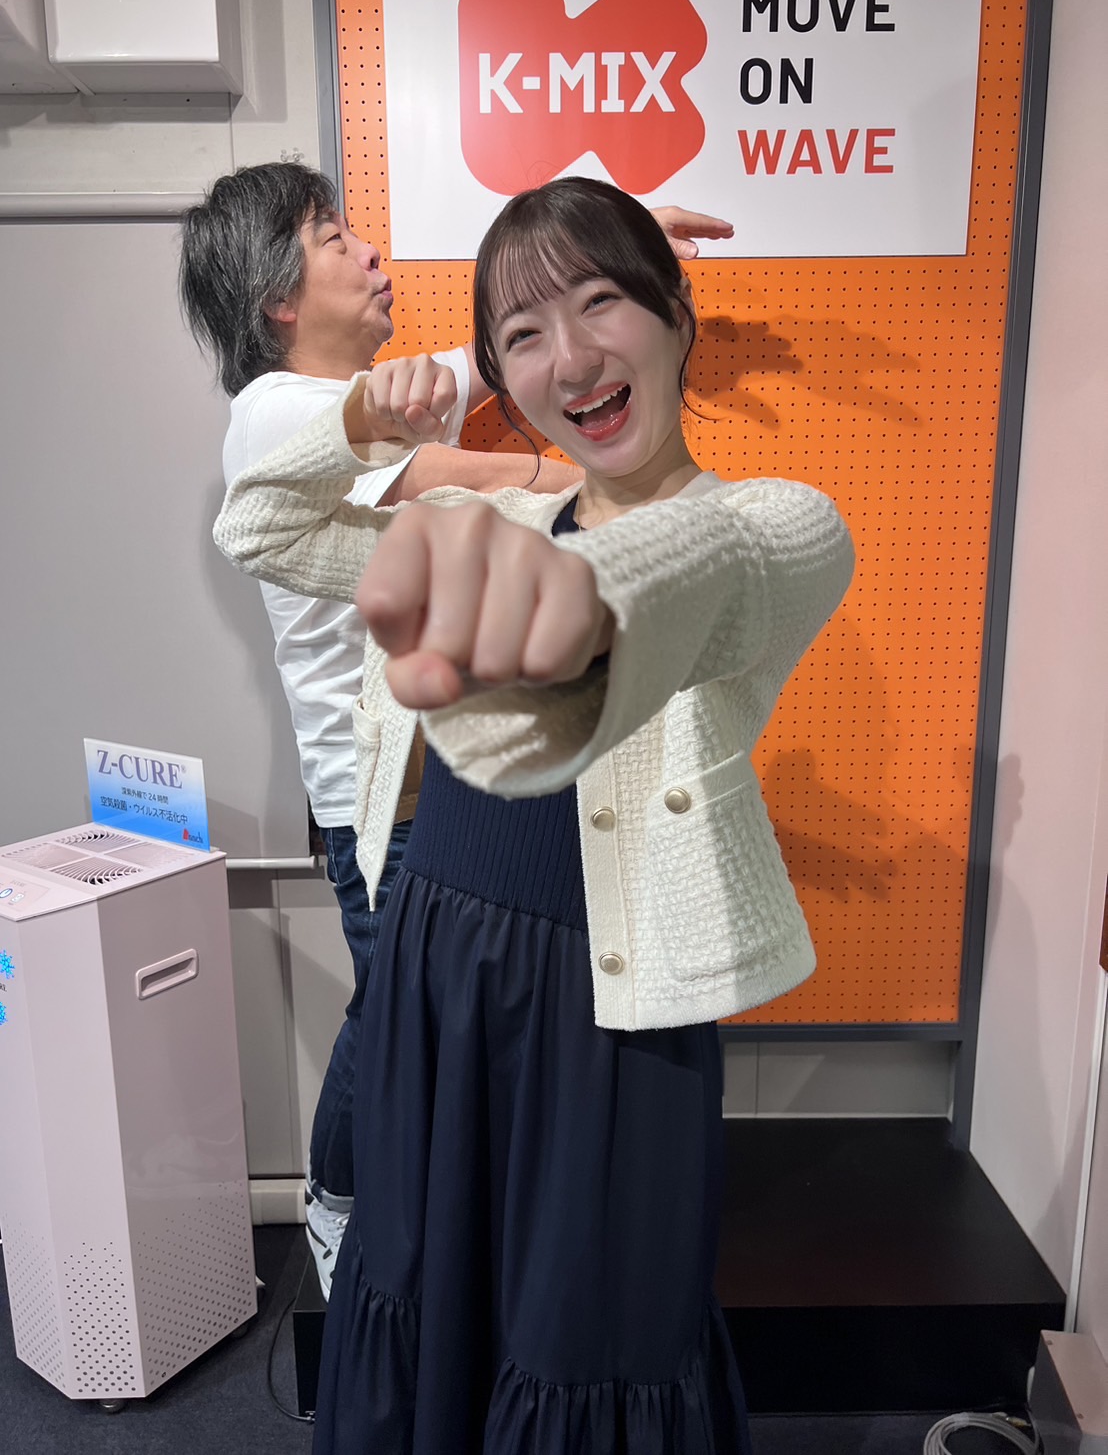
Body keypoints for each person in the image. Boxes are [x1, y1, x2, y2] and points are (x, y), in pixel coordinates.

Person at [214, 176, 853, 1454]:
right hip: (433, 976)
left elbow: (703, 573)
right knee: (420, 1294)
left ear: (678, 316)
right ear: (499, 374)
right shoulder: (481, 515)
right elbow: (261, 525)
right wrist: (358, 415)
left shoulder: (775, 523)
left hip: (611, 1017)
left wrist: (578, 600)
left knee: (588, 1340)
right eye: (522, 333)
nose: (569, 357)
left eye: (602, 302)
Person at [179, 161, 733, 1296]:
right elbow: (453, 471)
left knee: (433, 1018)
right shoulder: (278, 411)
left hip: (451, 787)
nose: (369, 252)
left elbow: (487, 364)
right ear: (278, 296)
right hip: (381, 795)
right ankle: (340, 1202)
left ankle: (413, 1217)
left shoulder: (360, 398)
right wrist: (597, 481)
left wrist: (600, 252)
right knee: (395, 1019)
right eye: (333, 238)